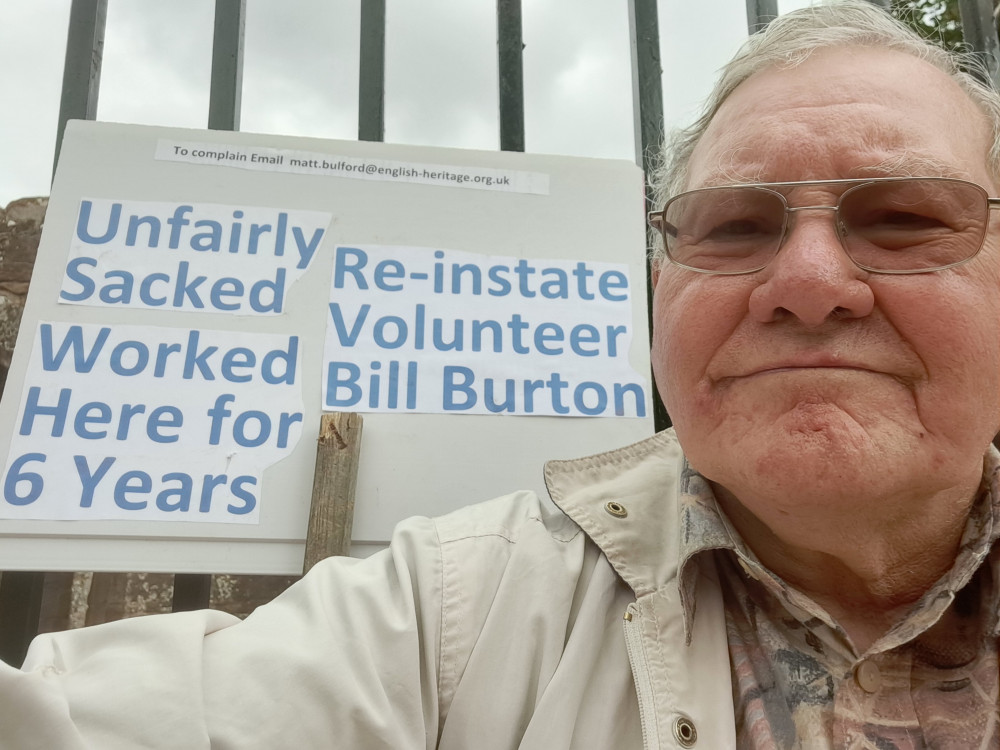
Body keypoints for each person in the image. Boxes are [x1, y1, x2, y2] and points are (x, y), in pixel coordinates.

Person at [3, 1, 1000, 747]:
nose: (806, 281)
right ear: (660, 288)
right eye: (734, 226)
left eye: (905, 218)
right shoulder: (455, 611)